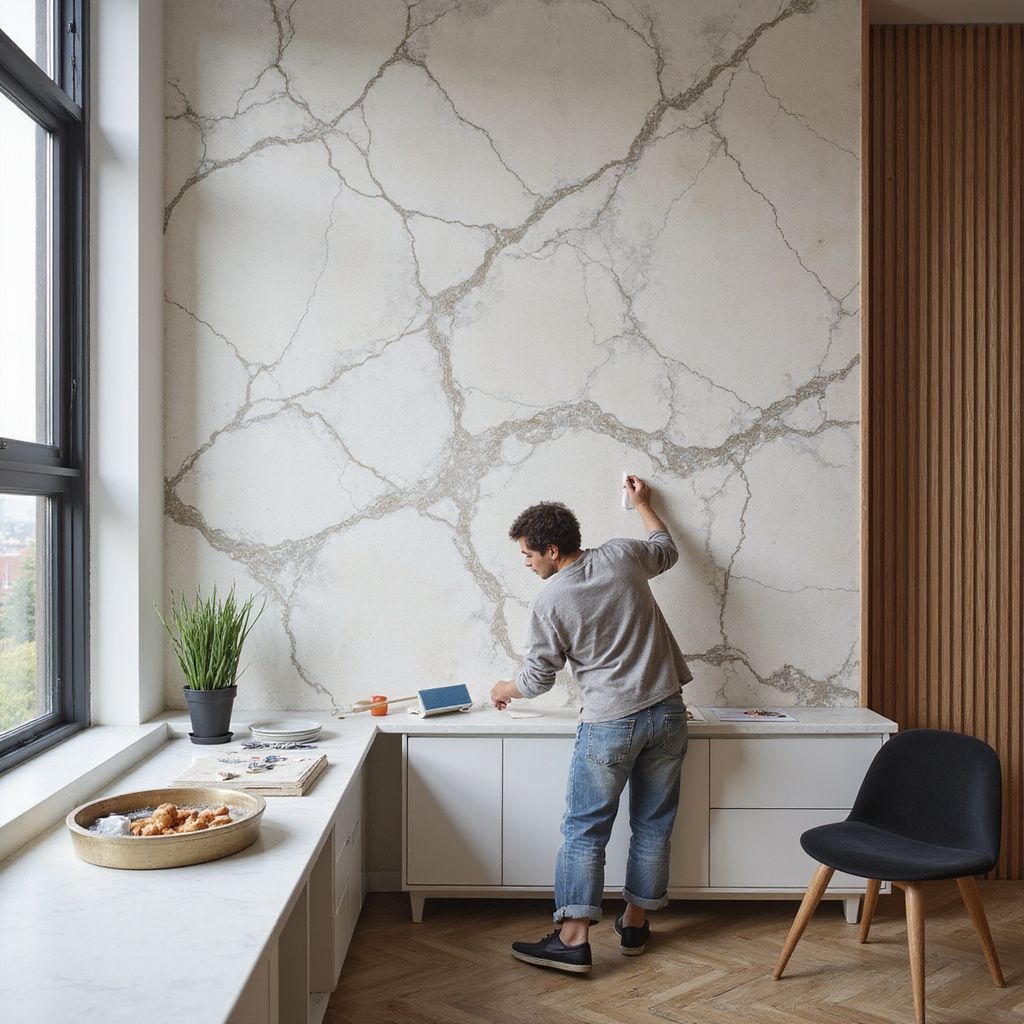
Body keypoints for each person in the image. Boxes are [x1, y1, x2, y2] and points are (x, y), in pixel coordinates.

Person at [490, 476, 692, 975]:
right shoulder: (623, 556)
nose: (527, 562)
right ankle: (636, 924)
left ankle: (573, 939)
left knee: (585, 831)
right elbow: (664, 549)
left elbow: (537, 680)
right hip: (667, 712)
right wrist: (644, 506)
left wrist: (504, 688)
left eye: (528, 554)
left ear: (552, 550)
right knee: (652, 825)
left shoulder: (550, 600)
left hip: (609, 725)